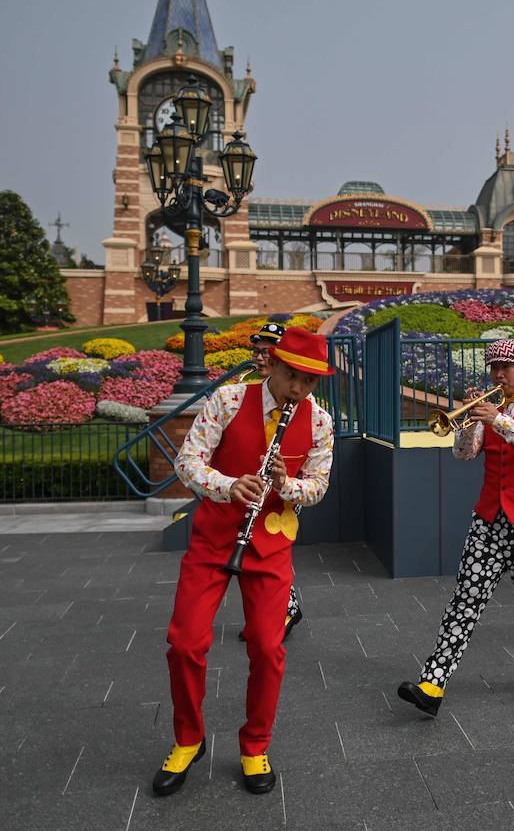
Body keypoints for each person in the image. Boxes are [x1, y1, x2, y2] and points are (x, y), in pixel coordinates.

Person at [151, 328, 334, 797]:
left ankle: (255, 745)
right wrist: (229, 485)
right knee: (185, 644)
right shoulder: (228, 400)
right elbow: (187, 462)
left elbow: (317, 487)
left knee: (268, 651)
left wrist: (286, 485)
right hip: (214, 540)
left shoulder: (319, 422)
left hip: (270, 546)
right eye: (293, 376)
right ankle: (189, 739)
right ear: (272, 364)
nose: (299, 390)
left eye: (310, 383)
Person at [398, 338, 514, 716]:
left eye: (505, 366)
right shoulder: (492, 407)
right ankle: (433, 681)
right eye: (493, 366)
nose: (498, 373)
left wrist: (499, 420)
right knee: (466, 596)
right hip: (490, 515)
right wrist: (469, 420)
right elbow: (464, 453)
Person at [239, 321, 302, 641]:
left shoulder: (297, 397)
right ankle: (278, 609)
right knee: (257, 546)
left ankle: (285, 608)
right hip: (253, 482)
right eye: (257, 352)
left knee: (271, 546)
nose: (260, 358)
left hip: (285, 485)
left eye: (267, 353)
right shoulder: (246, 390)